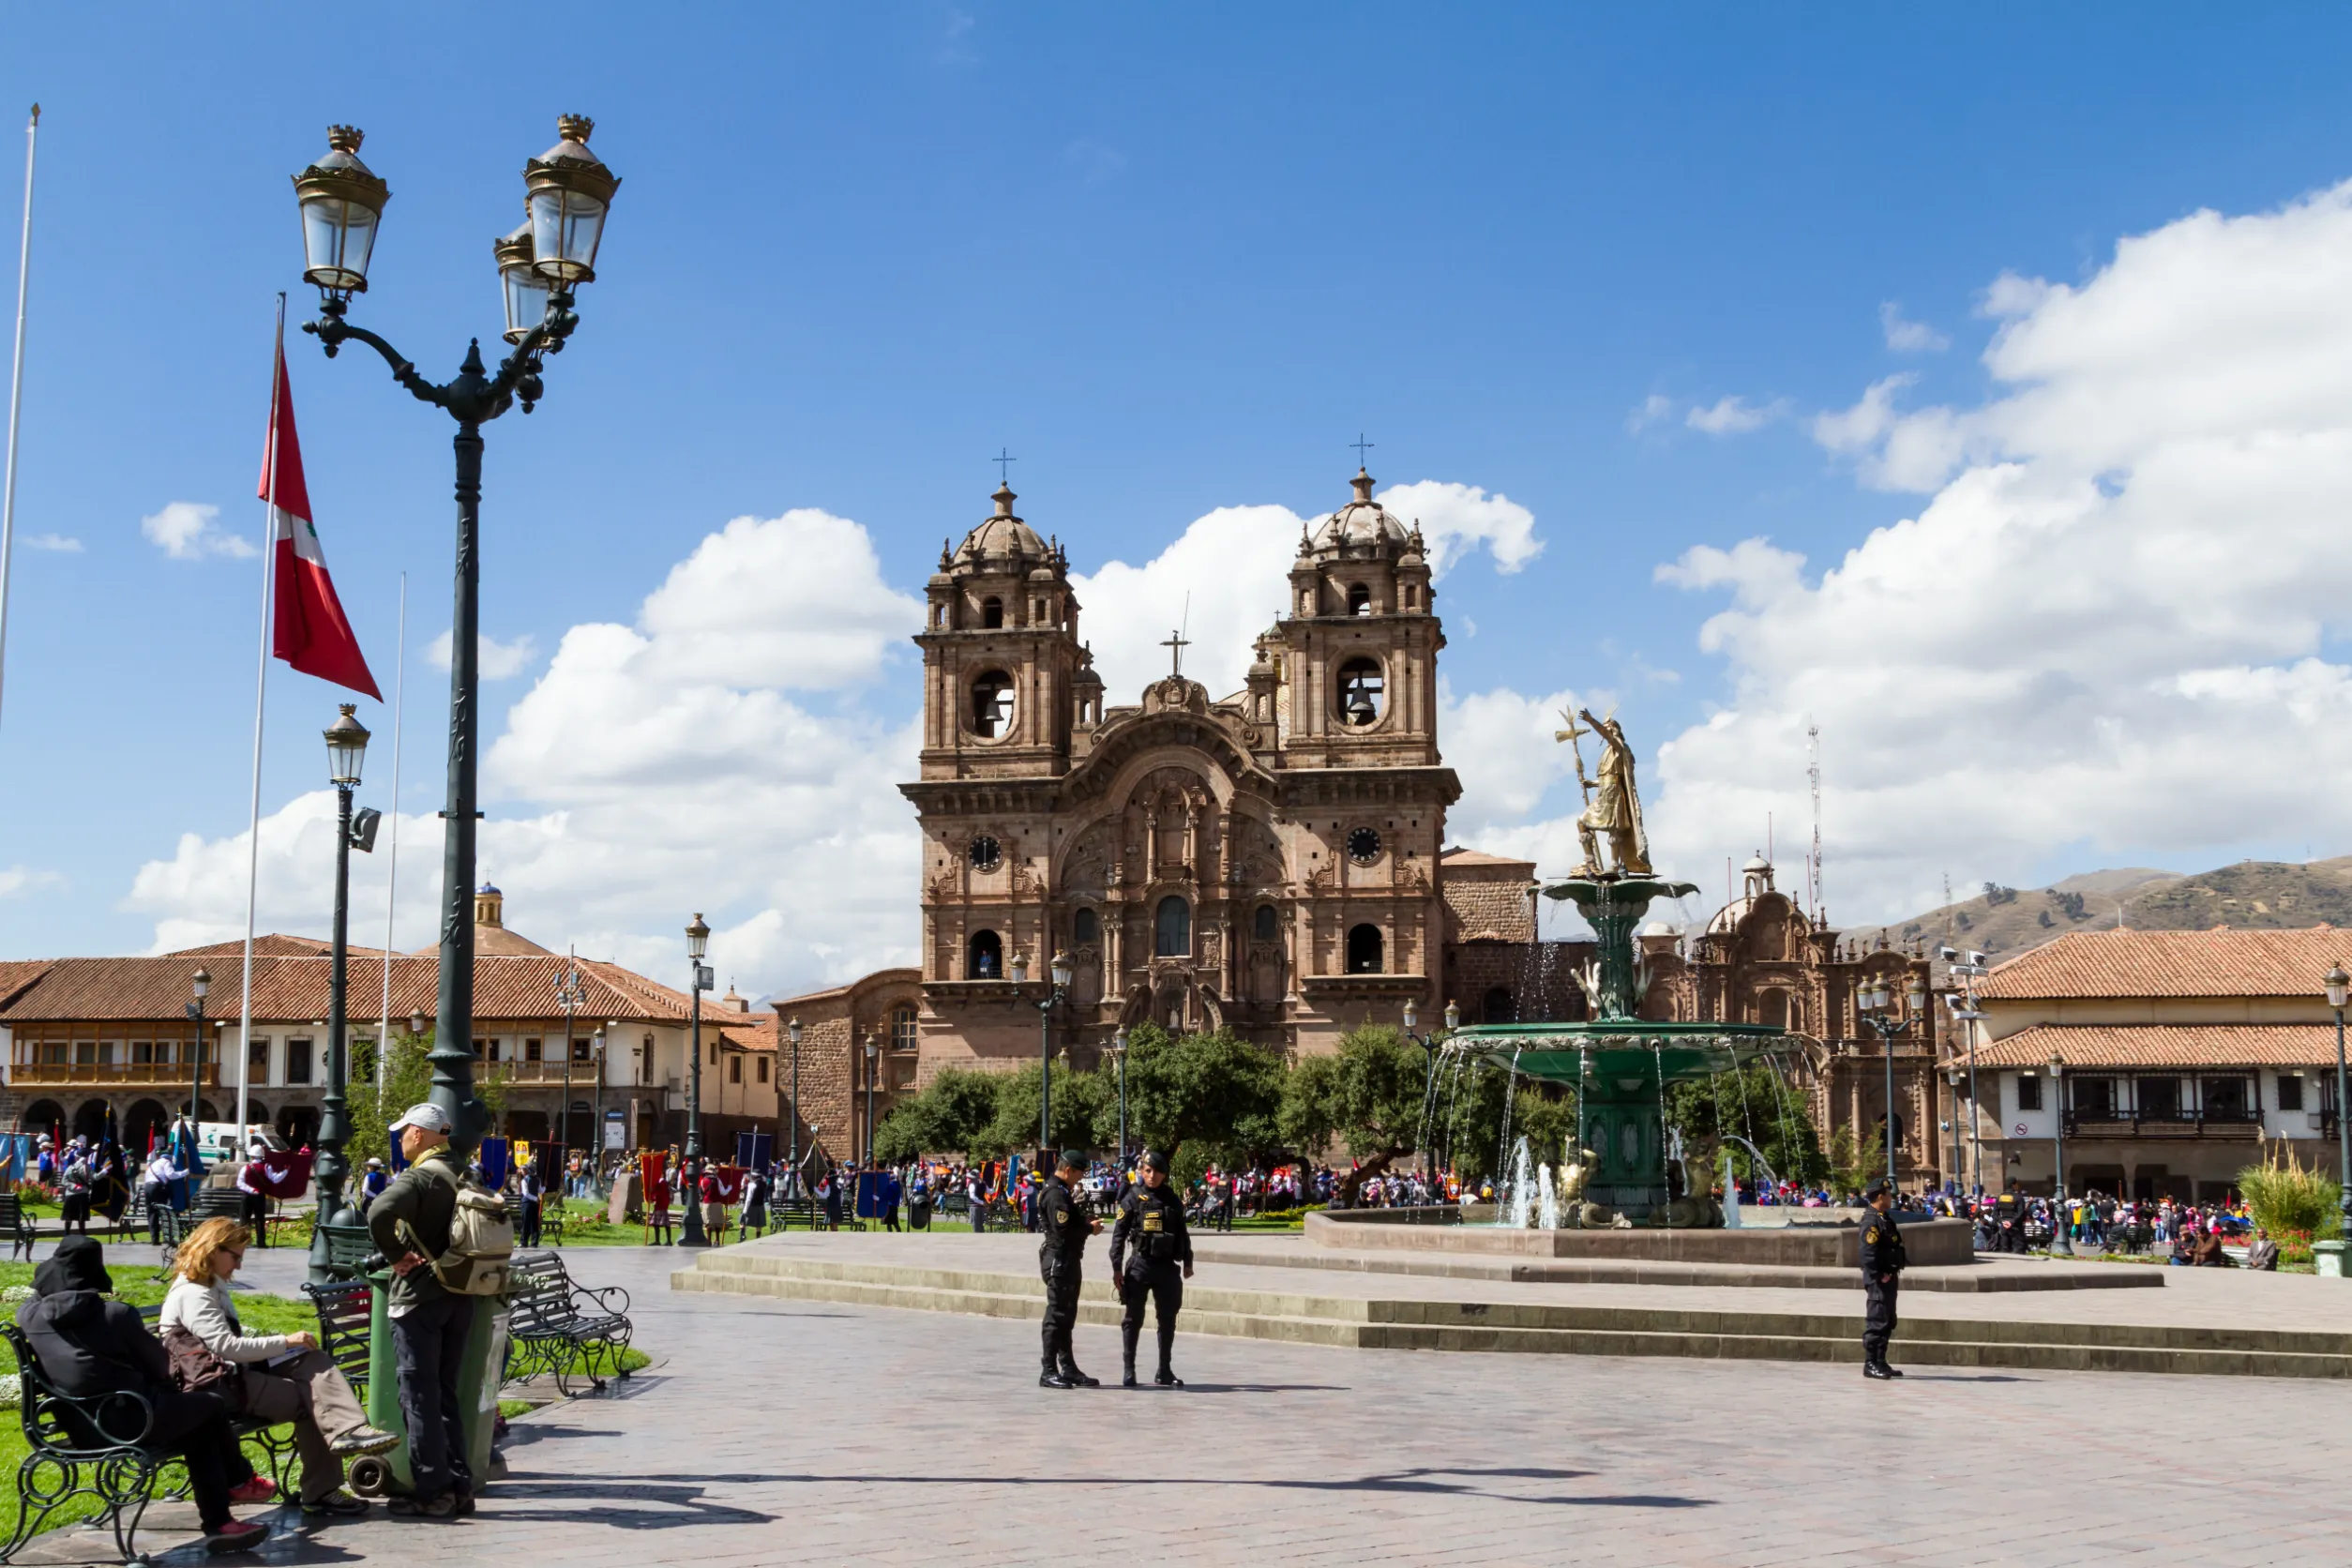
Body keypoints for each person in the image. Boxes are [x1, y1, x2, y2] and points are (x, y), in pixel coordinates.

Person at [16, 1235, 271, 1552]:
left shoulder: (28, 1316)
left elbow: (39, 1296)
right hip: (133, 1421)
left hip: (80, 1426)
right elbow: (160, 1366)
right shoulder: (115, 1314)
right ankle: (237, 1484)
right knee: (210, 1406)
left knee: (197, 1422)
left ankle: (222, 1521)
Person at [160, 1216, 395, 1516]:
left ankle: (349, 1430)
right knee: (311, 1397)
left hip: (234, 1376)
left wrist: (290, 1346)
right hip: (218, 1387)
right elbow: (227, 1347)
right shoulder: (193, 1293)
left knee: (311, 1358)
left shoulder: (208, 1286)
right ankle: (322, 1487)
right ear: (213, 1250)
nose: (239, 1266)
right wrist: (284, 1341)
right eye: (235, 1257)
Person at [365, 1103, 477, 1517]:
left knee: (419, 1398)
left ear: (420, 1133)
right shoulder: (465, 1172)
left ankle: (433, 1492)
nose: (401, 1139)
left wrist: (395, 1254)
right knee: (445, 1394)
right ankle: (460, 1487)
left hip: (419, 1299)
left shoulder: (419, 1177)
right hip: (460, 1296)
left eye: (404, 1132)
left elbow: (378, 1211)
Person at [1110, 1149, 1195, 1389]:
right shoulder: (1132, 1197)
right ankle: (1129, 1370)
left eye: (1157, 1171)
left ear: (1164, 1174)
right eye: (1148, 1171)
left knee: (1167, 1320)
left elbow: (1182, 1232)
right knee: (1133, 1319)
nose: (1152, 1175)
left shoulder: (1171, 1198)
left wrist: (1188, 1261)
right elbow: (1118, 1236)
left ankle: (1164, 1370)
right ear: (1141, 1171)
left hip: (1166, 1267)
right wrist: (1117, 1267)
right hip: (1140, 1265)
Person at [1035, 1150, 1101, 1389]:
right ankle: (1048, 1370)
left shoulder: (1061, 1191)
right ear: (1068, 1170)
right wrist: (1089, 1229)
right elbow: (1062, 1229)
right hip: (1059, 1260)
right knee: (1056, 1316)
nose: (1081, 1177)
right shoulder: (1055, 1193)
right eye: (1079, 1173)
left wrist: (1084, 1222)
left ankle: (1068, 1367)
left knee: (1066, 1315)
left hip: (1067, 1259)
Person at [1858, 1177, 1907, 1380]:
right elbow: (1867, 1254)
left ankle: (1880, 1360)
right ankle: (1870, 1364)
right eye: (1888, 1194)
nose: (1891, 1197)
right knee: (1877, 1320)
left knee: (1888, 1320)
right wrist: (1879, 1275)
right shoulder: (1871, 1221)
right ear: (1880, 1197)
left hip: (1889, 1276)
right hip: (1879, 1280)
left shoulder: (1883, 1218)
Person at [514, 1160, 543, 1248]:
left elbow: (526, 1193)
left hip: (527, 1203)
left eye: (524, 1169)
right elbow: (541, 1191)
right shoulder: (537, 1179)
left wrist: (544, 1187)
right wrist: (544, 1188)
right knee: (533, 1222)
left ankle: (524, 1242)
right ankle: (534, 1242)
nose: (522, 1171)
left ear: (528, 1170)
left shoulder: (525, 1180)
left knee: (528, 1222)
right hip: (534, 1203)